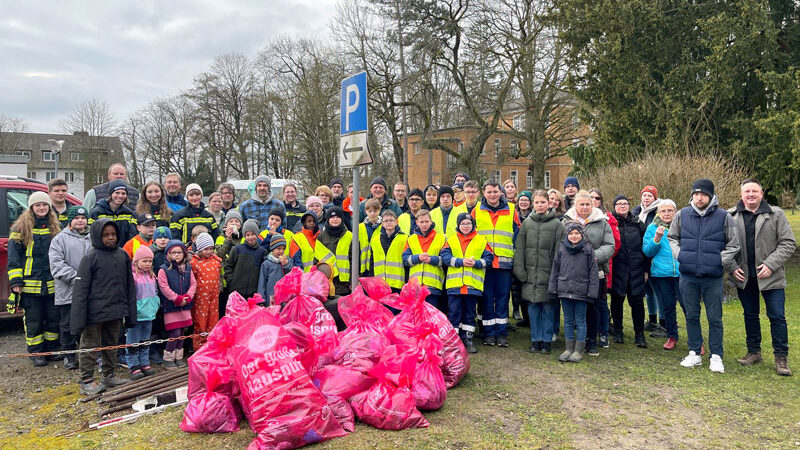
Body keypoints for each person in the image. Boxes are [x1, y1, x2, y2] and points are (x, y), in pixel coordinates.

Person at [668, 178, 740, 374]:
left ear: (711, 196)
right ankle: (694, 353)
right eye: (696, 194)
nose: (699, 198)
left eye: (703, 194)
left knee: (714, 317)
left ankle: (716, 356)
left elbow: (733, 244)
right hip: (688, 275)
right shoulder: (682, 215)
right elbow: (672, 238)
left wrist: (719, 260)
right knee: (691, 315)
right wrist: (681, 255)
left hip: (713, 276)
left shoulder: (724, 217)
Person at [729, 178, 795, 376]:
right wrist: (732, 267)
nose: (750, 195)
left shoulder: (776, 215)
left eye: (754, 191)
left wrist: (770, 264)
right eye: (747, 191)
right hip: (744, 275)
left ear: (761, 194)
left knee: (777, 316)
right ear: (741, 194)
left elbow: (788, 243)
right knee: (750, 315)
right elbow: (723, 245)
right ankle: (754, 352)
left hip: (770, 276)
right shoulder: (730, 216)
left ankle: (781, 358)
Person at [71, 218, 137, 394]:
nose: (110, 238)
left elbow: (129, 285)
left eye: (113, 234)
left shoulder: (122, 255)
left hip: (115, 311)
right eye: (106, 235)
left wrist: (129, 312)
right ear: (97, 236)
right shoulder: (90, 258)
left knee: (111, 344)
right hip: (94, 313)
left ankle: (109, 374)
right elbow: (80, 291)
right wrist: (78, 319)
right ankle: (86, 379)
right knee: (90, 346)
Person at [7, 192, 60, 366]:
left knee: (53, 317)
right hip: (30, 284)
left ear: (49, 207)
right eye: (37, 205)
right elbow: (13, 258)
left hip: (51, 282)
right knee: (34, 320)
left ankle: (52, 349)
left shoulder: (55, 226)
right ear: (31, 208)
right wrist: (16, 282)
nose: (41, 208)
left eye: (44, 205)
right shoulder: (20, 228)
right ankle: (37, 353)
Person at [563, 191, 615, 355]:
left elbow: (609, 245)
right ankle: (577, 341)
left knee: (593, 307)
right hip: (573, 273)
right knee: (576, 309)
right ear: (575, 206)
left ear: (592, 206)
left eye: (588, 204)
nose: (585, 207)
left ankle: (592, 340)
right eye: (581, 204)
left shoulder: (602, 222)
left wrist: (592, 257)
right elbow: (561, 244)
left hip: (596, 272)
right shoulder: (565, 221)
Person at [514, 190, 564, 354]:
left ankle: (547, 341)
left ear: (549, 203)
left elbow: (559, 252)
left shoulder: (557, 225)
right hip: (530, 275)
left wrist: (556, 275)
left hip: (549, 275)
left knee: (548, 309)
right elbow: (520, 248)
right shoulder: (527, 224)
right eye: (537, 202)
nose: (540, 205)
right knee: (533, 308)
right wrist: (520, 271)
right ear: (533, 204)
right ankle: (536, 339)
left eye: (543, 202)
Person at [473, 180, 520, 347]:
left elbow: (517, 235)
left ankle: (501, 333)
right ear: (483, 193)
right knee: (486, 298)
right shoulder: (476, 210)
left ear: (501, 192)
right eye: (489, 192)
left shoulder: (512, 209)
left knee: (502, 298)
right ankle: (488, 333)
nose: (492, 195)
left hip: (504, 263)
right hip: (484, 263)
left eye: (495, 191)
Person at [441, 213, 493, 354]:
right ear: (458, 225)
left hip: (472, 286)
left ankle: (468, 338)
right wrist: (460, 262)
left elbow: (489, 258)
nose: (466, 226)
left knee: (470, 313)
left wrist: (476, 263)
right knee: (454, 312)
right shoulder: (451, 240)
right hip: (455, 285)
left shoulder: (481, 240)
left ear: (473, 225)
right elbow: (445, 257)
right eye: (463, 224)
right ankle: (454, 340)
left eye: (468, 224)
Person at [48, 205, 91, 370]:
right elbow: (57, 265)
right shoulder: (59, 239)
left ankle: (88, 355)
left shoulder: (93, 237)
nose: (80, 221)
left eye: (83, 218)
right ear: (70, 221)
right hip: (68, 291)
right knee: (67, 325)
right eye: (76, 218)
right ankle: (69, 355)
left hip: (89, 291)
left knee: (89, 324)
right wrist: (78, 278)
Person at [550, 222, 599, 363]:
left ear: (582, 234)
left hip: (581, 292)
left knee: (581, 321)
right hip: (564, 290)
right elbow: (555, 269)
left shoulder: (588, 250)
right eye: (571, 233)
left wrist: (592, 292)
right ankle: (568, 348)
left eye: (577, 233)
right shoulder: (561, 249)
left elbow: (593, 273)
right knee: (568, 321)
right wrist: (553, 287)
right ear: (567, 235)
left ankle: (578, 350)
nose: (574, 236)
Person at [643, 200, 683, 350]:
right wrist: (656, 240)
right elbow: (647, 252)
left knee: (688, 307)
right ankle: (672, 336)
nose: (666, 214)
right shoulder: (652, 228)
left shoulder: (683, 226)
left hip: (682, 273)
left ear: (675, 212)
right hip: (661, 274)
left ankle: (696, 339)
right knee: (668, 306)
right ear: (658, 213)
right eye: (663, 211)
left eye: (670, 211)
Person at [609, 195, 648, 349]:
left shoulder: (638, 223)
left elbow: (645, 248)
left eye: (625, 204)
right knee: (617, 300)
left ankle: (640, 334)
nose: (622, 206)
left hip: (636, 268)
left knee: (637, 302)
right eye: (619, 204)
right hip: (618, 268)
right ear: (614, 207)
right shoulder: (611, 222)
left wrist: (646, 269)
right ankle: (618, 331)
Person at [588, 188, 620, 348]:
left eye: (596, 198)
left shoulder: (607, 219)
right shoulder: (578, 217)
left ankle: (604, 333)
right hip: (582, 269)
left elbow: (613, 244)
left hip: (601, 266)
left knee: (601, 302)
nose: (593, 200)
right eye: (590, 197)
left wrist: (594, 256)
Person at [157, 240, 196, 369]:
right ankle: (168, 358)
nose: (177, 255)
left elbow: (193, 284)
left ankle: (178, 357)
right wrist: (176, 298)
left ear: (184, 253)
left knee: (182, 332)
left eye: (179, 252)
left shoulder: (188, 268)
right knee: (174, 332)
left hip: (185, 305)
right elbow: (164, 287)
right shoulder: (163, 270)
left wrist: (188, 296)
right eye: (173, 252)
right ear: (168, 254)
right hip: (171, 306)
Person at [632, 185, 664, 334]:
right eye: (644, 195)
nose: (646, 198)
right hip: (640, 255)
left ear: (655, 198)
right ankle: (652, 319)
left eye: (650, 196)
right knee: (649, 291)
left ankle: (663, 322)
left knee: (658, 290)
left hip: (654, 255)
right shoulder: (636, 212)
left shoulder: (659, 213)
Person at [127, 246, 160, 380]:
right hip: (137, 315)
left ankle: (144, 362)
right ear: (136, 262)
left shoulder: (152, 276)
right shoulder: (133, 277)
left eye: (150, 261)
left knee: (146, 340)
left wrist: (156, 303)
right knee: (133, 341)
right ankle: (133, 365)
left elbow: (155, 293)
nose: (147, 264)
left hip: (149, 314)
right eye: (144, 261)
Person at [404, 209, 446, 308]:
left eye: (427, 221)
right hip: (415, 287)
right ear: (416, 222)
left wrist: (431, 260)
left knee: (430, 317)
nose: (424, 224)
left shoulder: (441, 239)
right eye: (421, 222)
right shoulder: (411, 239)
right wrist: (417, 258)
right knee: (416, 317)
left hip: (433, 286)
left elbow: (445, 260)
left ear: (431, 221)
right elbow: (405, 260)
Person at [190, 232, 221, 350]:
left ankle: (211, 345)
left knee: (213, 319)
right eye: (205, 249)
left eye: (211, 249)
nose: (208, 251)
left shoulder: (216, 261)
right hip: (200, 299)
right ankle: (199, 347)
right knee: (200, 322)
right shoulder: (194, 262)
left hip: (214, 297)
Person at [223, 219, 266, 299]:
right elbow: (228, 266)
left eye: (253, 234)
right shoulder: (237, 249)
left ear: (257, 234)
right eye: (247, 235)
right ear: (244, 236)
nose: (250, 237)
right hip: (236, 292)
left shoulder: (262, 251)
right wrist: (231, 281)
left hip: (254, 293)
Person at [89, 179, 136, 247]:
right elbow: (92, 235)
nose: (120, 196)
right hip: (102, 251)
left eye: (123, 193)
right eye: (117, 193)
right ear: (110, 194)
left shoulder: (128, 213)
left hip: (122, 252)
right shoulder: (97, 212)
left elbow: (131, 235)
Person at [316, 207, 352, 296]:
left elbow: (354, 261)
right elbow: (316, 259)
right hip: (325, 283)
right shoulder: (321, 237)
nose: (335, 219)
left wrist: (352, 281)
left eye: (338, 217)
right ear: (328, 219)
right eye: (332, 217)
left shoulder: (350, 236)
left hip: (345, 285)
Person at [370, 210, 407, 293]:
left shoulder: (404, 238)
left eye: (391, 220)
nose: (389, 223)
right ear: (382, 223)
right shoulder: (375, 240)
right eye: (386, 221)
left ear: (396, 222)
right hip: (379, 284)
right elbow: (372, 262)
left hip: (398, 284)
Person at [511, 190, 533, 327]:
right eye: (521, 200)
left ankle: (528, 316)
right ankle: (518, 311)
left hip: (529, 254)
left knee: (527, 286)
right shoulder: (514, 215)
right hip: (516, 253)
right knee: (516, 286)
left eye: (526, 200)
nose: (524, 202)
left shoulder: (533, 216)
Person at [258, 234, 293, 304]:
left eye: (283, 249)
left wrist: (286, 265)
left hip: (284, 295)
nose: (281, 251)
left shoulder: (288, 260)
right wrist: (261, 299)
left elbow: (291, 274)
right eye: (278, 249)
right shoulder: (267, 263)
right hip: (271, 295)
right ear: (273, 248)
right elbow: (262, 282)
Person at [358, 198, 383, 275]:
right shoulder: (360, 227)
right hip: (363, 265)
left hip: (377, 264)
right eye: (370, 211)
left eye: (375, 211)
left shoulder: (383, 226)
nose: (372, 214)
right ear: (366, 211)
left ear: (379, 210)